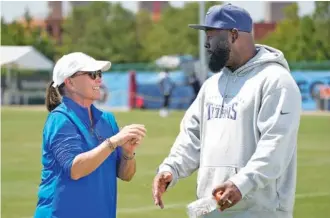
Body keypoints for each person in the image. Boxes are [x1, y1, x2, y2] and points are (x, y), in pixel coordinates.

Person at [152, 3, 301, 218]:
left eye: (211, 36)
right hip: (212, 210)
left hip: (259, 213)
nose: (206, 44)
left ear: (233, 35)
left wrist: (241, 184)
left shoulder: (276, 81)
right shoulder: (212, 85)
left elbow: (276, 146)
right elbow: (192, 137)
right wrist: (171, 169)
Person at [34, 52, 147, 218]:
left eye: (99, 74)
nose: (99, 79)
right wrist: (113, 142)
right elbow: (76, 169)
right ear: (70, 82)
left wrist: (128, 153)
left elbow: (125, 175)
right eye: (92, 74)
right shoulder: (60, 119)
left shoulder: (107, 120)